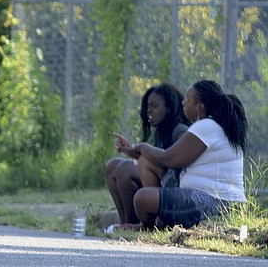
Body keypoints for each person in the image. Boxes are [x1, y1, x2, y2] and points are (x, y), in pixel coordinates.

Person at [131, 79, 248, 230]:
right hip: (217, 199)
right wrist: (140, 154)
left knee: (142, 198)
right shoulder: (214, 125)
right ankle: (157, 224)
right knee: (145, 163)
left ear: (200, 106)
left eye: (187, 99)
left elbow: (169, 159)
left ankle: (150, 228)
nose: (182, 103)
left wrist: (143, 147)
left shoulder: (205, 127)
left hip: (216, 202)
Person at [105, 83, 190, 231]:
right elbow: (156, 160)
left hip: (177, 186)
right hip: (162, 178)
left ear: (168, 108)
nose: (148, 110)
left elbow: (174, 162)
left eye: (154, 106)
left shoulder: (180, 131)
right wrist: (131, 152)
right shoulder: (161, 131)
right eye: (147, 106)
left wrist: (142, 152)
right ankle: (125, 222)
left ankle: (139, 225)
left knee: (125, 169)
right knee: (113, 165)